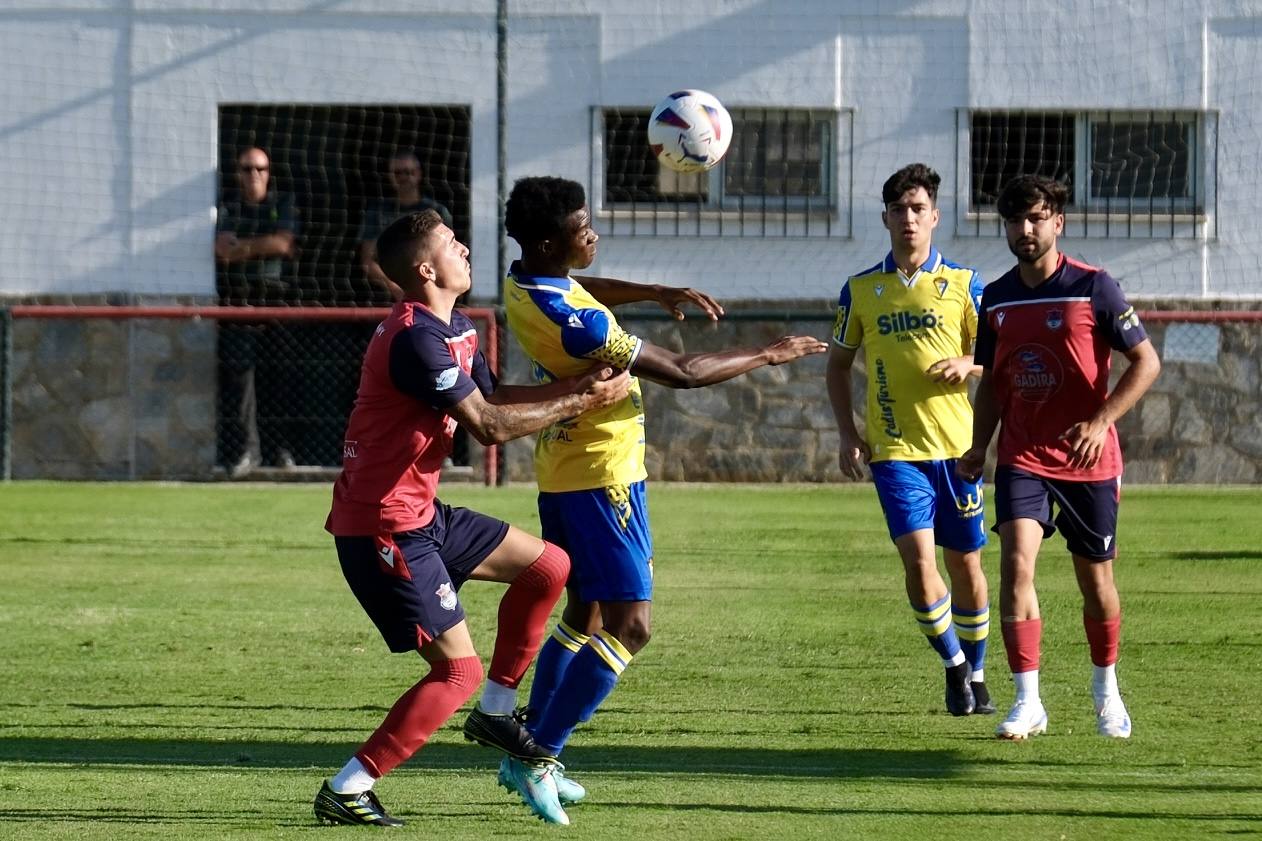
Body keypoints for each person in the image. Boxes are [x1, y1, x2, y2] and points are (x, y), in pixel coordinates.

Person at [491, 175, 828, 825]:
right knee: (632, 623)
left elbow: (579, 285)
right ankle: (539, 755)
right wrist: (770, 351)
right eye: (580, 229)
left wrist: (651, 290)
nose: (593, 234)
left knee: (586, 610)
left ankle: (528, 748)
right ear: (545, 240)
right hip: (603, 475)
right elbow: (686, 372)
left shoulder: (523, 280)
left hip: (563, 469)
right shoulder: (580, 325)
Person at [313, 209, 632, 828]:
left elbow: (495, 399)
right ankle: (347, 787)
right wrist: (581, 401)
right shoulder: (413, 338)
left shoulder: (455, 327)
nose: (465, 249)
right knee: (455, 670)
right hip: (384, 527)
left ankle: (496, 712)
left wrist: (580, 386)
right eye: (452, 244)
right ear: (427, 269)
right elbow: (487, 428)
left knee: (549, 568)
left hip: (422, 514)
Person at [955, 175, 1160, 741]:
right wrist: (979, 446)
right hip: (1023, 453)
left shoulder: (1096, 287)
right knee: (1015, 564)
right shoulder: (995, 297)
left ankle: (1108, 694)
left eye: (1036, 219)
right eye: (1015, 221)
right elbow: (993, 382)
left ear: (1057, 223)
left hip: (1088, 461)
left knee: (1095, 582)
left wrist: (1100, 421)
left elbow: (1146, 363)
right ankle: (1028, 703)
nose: (1025, 230)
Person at [825, 163, 994, 718]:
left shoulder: (966, 286)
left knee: (966, 565)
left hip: (960, 451)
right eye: (898, 210)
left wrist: (968, 364)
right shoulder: (862, 290)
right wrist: (850, 434)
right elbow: (837, 366)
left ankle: (979, 669)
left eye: (918, 209)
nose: (908, 219)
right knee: (920, 563)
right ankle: (952, 667)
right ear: (885, 218)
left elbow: (995, 360)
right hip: (895, 452)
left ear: (935, 216)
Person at [214, 146, 300, 475]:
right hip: (239, 301)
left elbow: (284, 244)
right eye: (247, 168)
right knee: (240, 381)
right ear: (237, 173)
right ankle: (246, 453)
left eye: (260, 169)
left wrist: (245, 247)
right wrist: (264, 244)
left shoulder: (283, 203)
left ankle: (282, 451)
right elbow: (222, 250)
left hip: (278, 302)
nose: (254, 175)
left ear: (269, 173)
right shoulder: (228, 206)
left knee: (280, 378)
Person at [356, 149, 454, 302]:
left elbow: (448, 255)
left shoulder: (437, 211)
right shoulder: (378, 211)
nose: (404, 177)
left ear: (418, 173)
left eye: (409, 172)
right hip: (384, 297)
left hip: (431, 294)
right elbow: (368, 261)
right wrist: (395, 287)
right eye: (398, 172)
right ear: (389, 175)